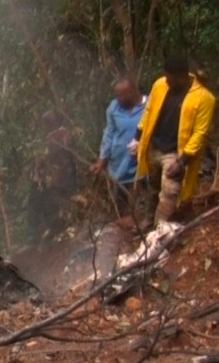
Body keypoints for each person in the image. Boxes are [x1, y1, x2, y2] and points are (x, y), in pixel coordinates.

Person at [127, 53, 217, 225]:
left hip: (175, 153)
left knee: (169, 193)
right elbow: (149, 112)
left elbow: (200, 133)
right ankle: (147, 221)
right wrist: (137, 139)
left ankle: (158, 232)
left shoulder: (204, 98)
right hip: (154, 146)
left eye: (170, 78)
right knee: (152, 187)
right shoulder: (160, 85)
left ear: (182, 76)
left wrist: (182, 162)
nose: (166, 81)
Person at [90, 78, 146, 225]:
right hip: (118, 164)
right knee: (120, 202)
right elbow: (109, 134)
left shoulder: (149, 105)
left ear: (133, 92)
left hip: (141, 163)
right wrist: (102, 160)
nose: (118, 99)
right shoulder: (114, 108)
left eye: (121, 95)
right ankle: (120, 231)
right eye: (117, 95)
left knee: (143, 200)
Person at [28, 109, 79, 241]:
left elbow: (67, 155)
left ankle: (60, 228)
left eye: (48, 122)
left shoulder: (63, 134)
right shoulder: (50, 138)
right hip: (55, 179)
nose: (46, 125)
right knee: (42, 201)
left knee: (53, 202)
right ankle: (50, 230)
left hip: (63, 178)